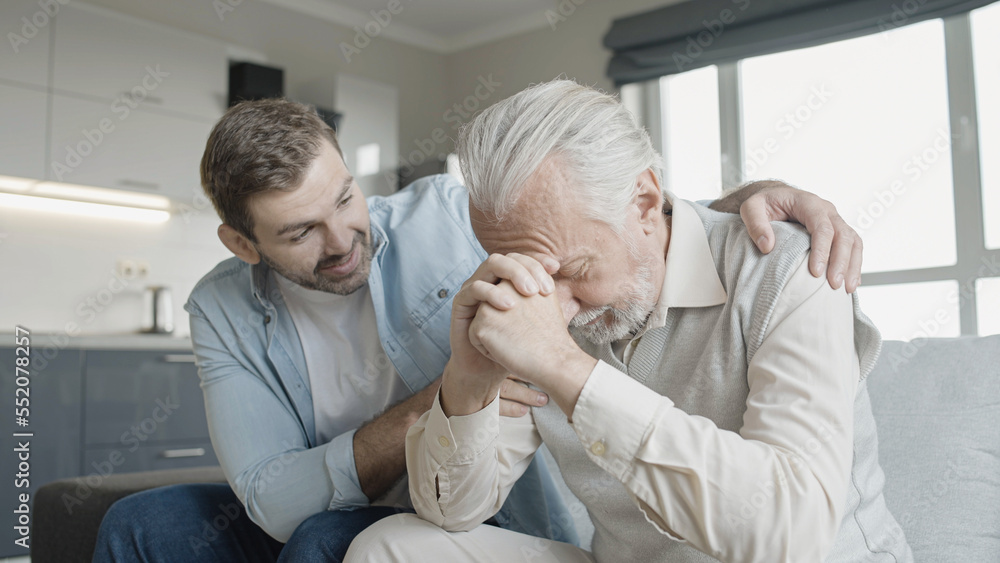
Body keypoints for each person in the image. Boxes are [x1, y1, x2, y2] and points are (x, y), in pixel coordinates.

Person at [92, 97, 866, 562]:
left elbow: (620, 213)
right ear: (244, 245)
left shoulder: (446, 219)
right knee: (349, 540)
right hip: (499, 527)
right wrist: (465, 379)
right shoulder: (225, 308)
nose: (340, 241)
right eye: (299, 232)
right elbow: (294, 498)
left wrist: (755, 195)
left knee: (329, 541)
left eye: (345, 199)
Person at [345, 80, 912, 562]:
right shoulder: (537, 301)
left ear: (644, 201)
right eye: (536, 276)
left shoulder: (789, 268)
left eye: (573, 270)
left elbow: (795, 532)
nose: (555, 311)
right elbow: (454, 510)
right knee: (390, 548)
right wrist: (467, 382)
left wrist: (565, 367)